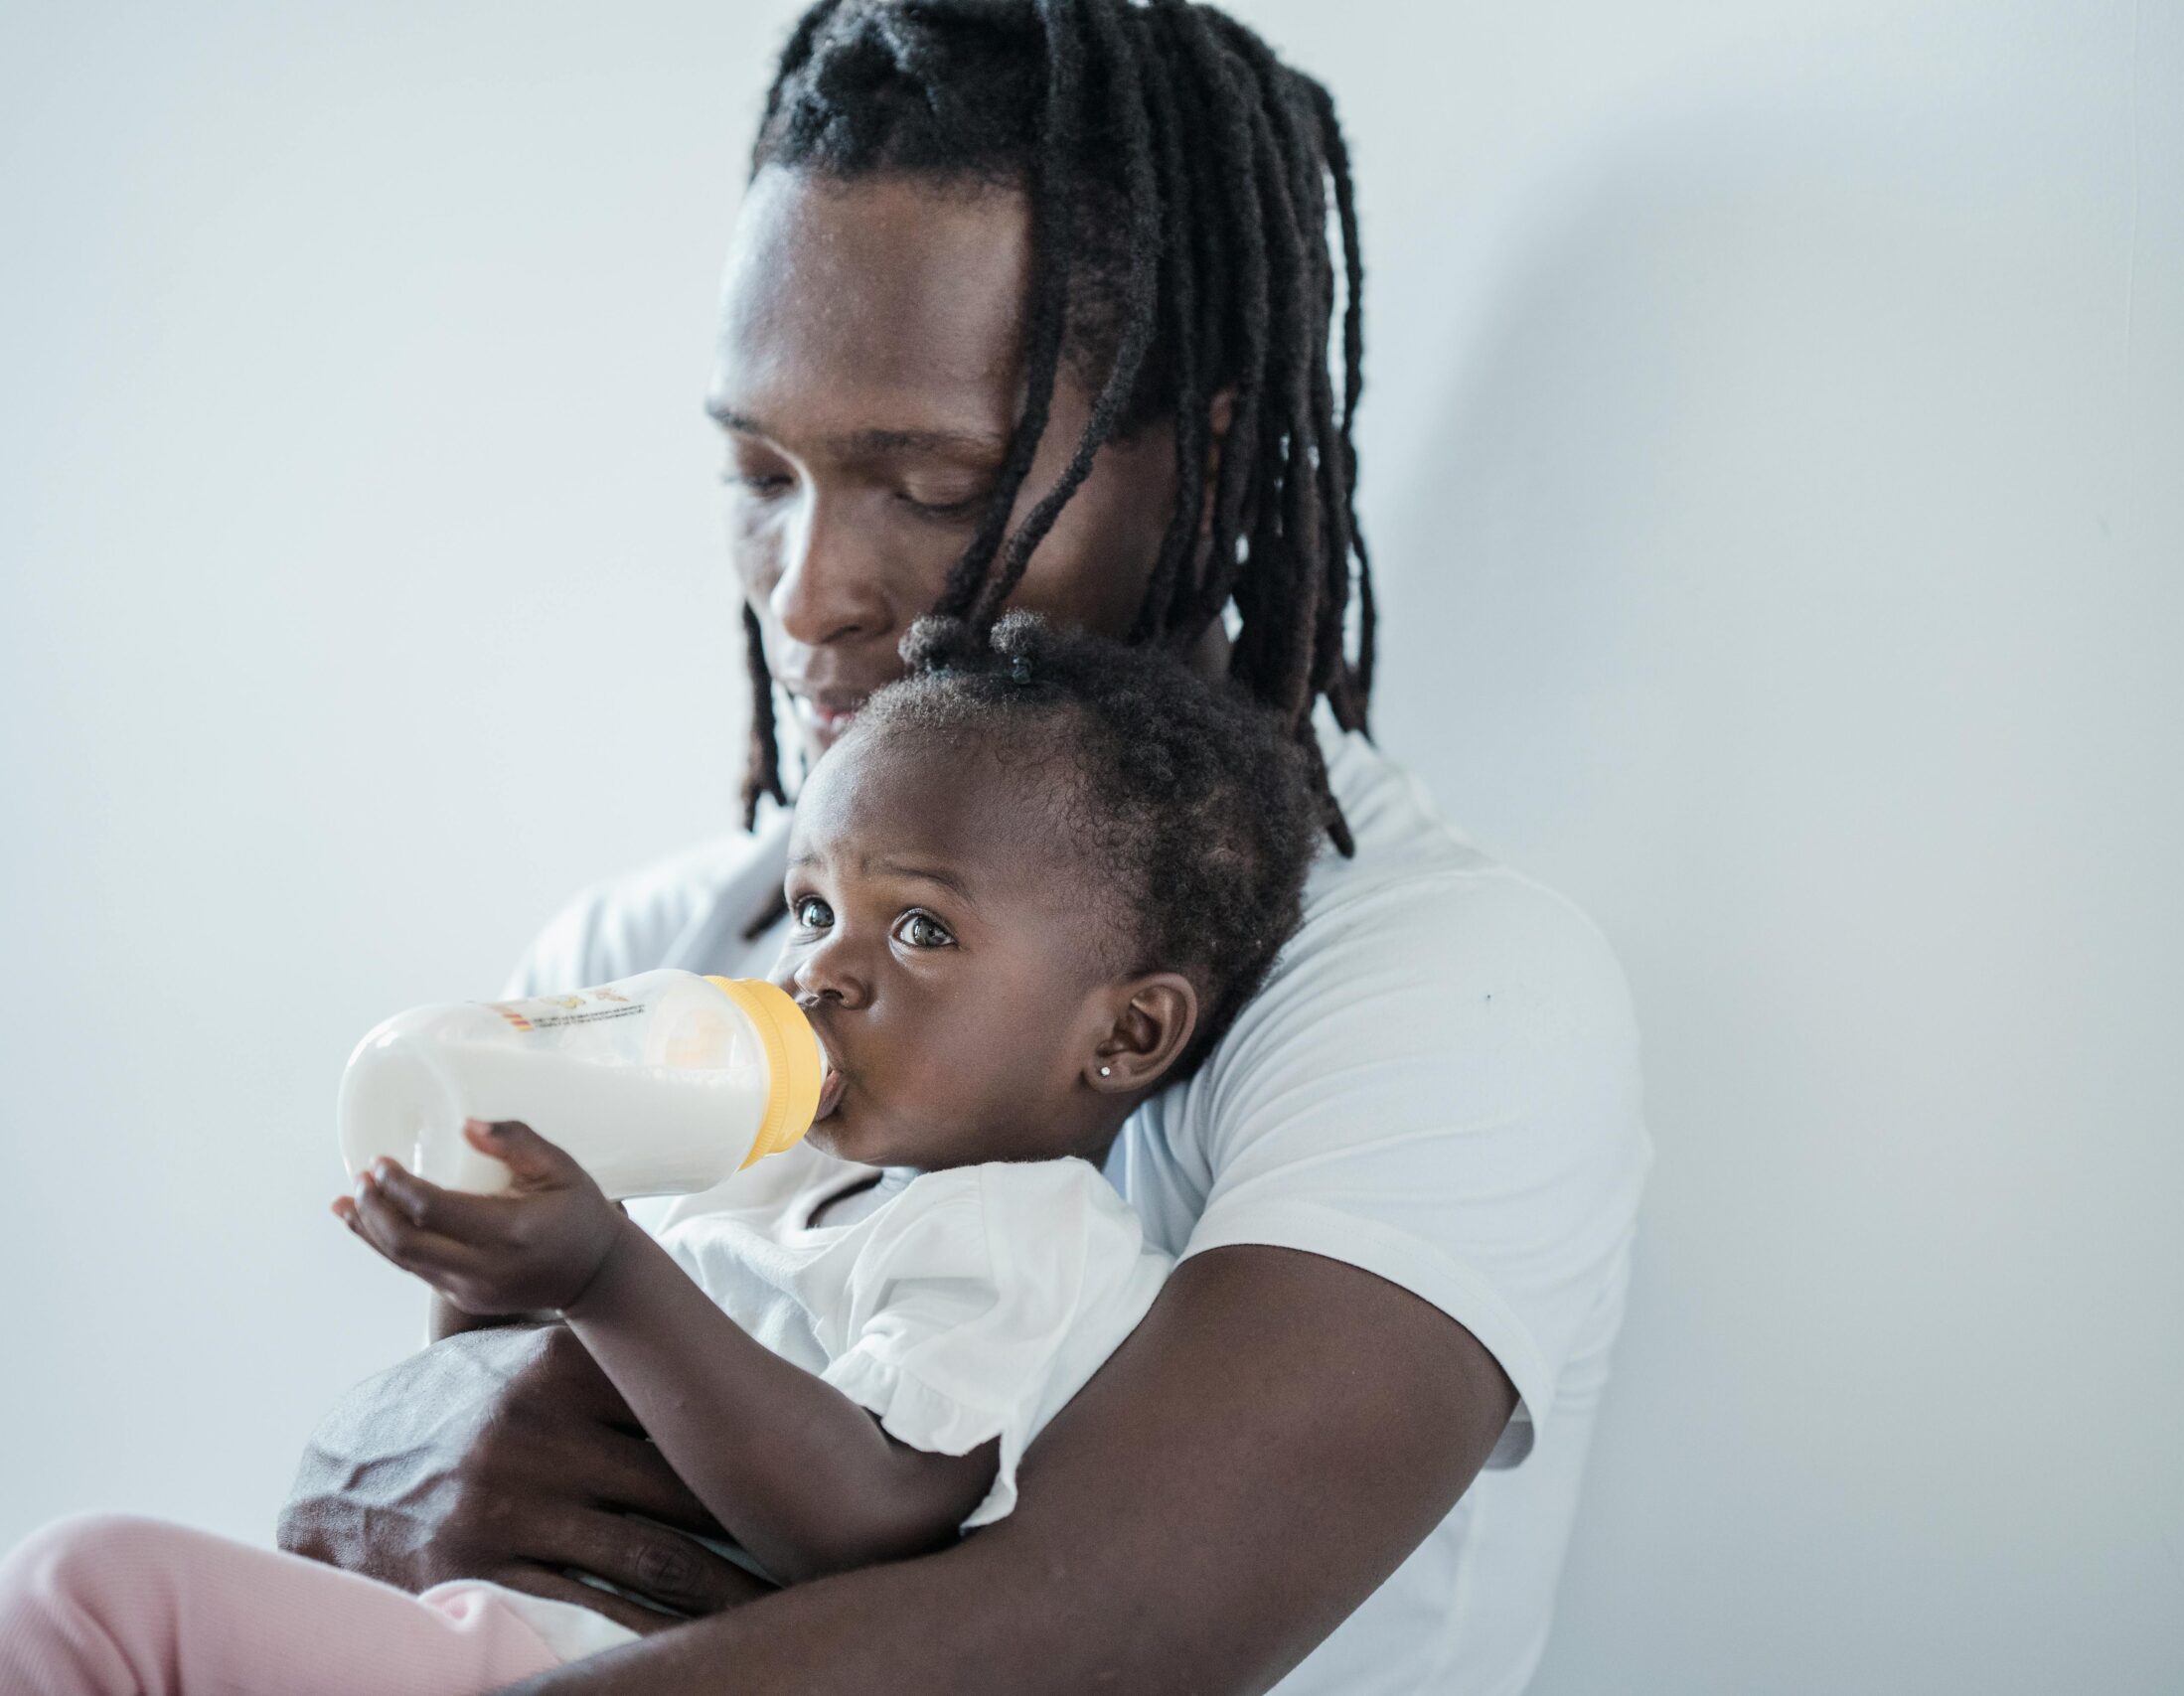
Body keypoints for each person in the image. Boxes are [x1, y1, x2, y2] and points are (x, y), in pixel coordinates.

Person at [277, 3, 1650, 1692]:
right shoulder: (649, 956)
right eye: (760, 473)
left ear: (1204, 461)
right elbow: (452, 1540)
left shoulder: (1441, 995)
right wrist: (376, 1461)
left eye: (927, 490)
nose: (807, 594)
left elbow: (1074, 1638)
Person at [0, 614, 1323, 1692]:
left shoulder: (1027, 1235)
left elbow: (870, 1510)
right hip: (472, 1613)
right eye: (814, 907)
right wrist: (486, 1236)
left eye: (918, 930)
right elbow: (482, 1383)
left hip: (575, 1657)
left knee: (89, 1596)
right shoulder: (774, 1166)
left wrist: (605, 1276)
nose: (821, 968)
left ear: (1128, 1032)